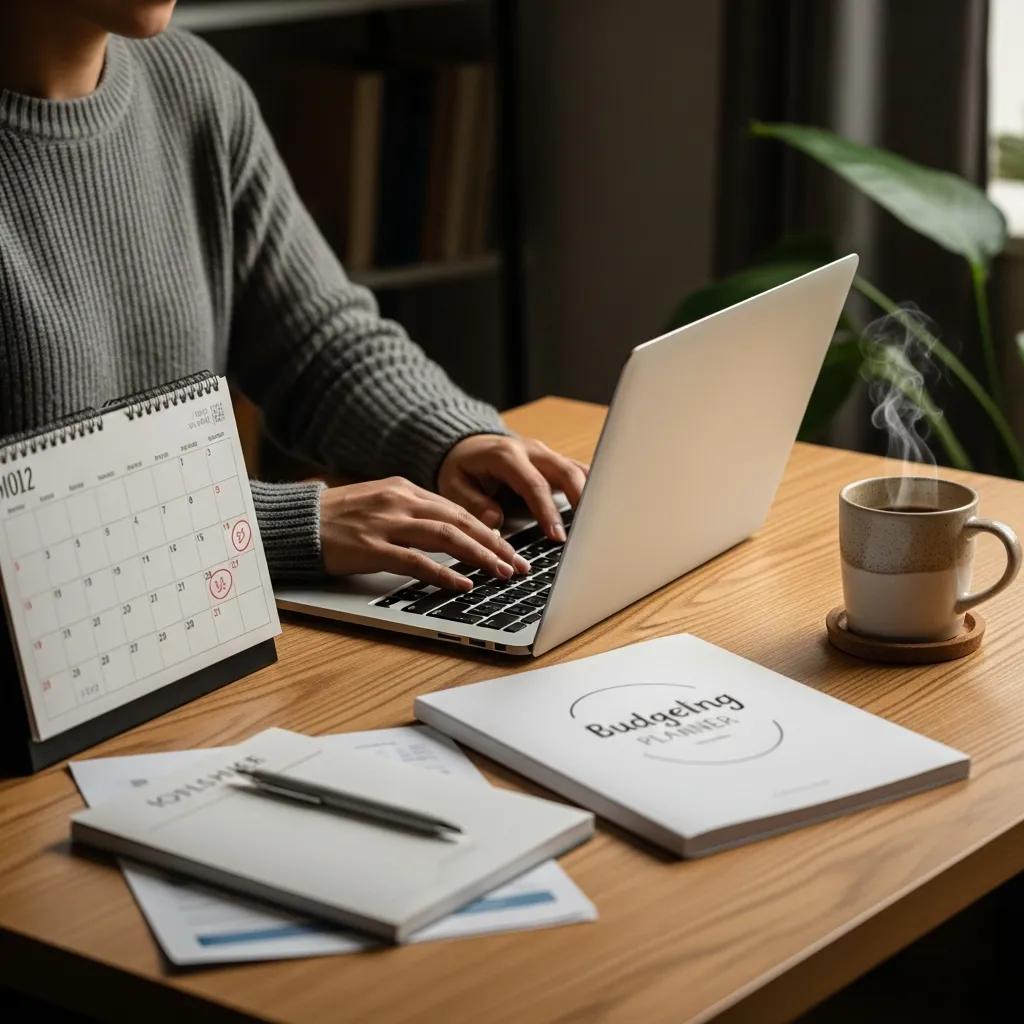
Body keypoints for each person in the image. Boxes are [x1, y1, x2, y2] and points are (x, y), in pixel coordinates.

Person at [0, 0, 588, 594]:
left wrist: (449, 438)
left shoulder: (192, 85)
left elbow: (317, 346)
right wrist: (277, 526)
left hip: (205, 615)